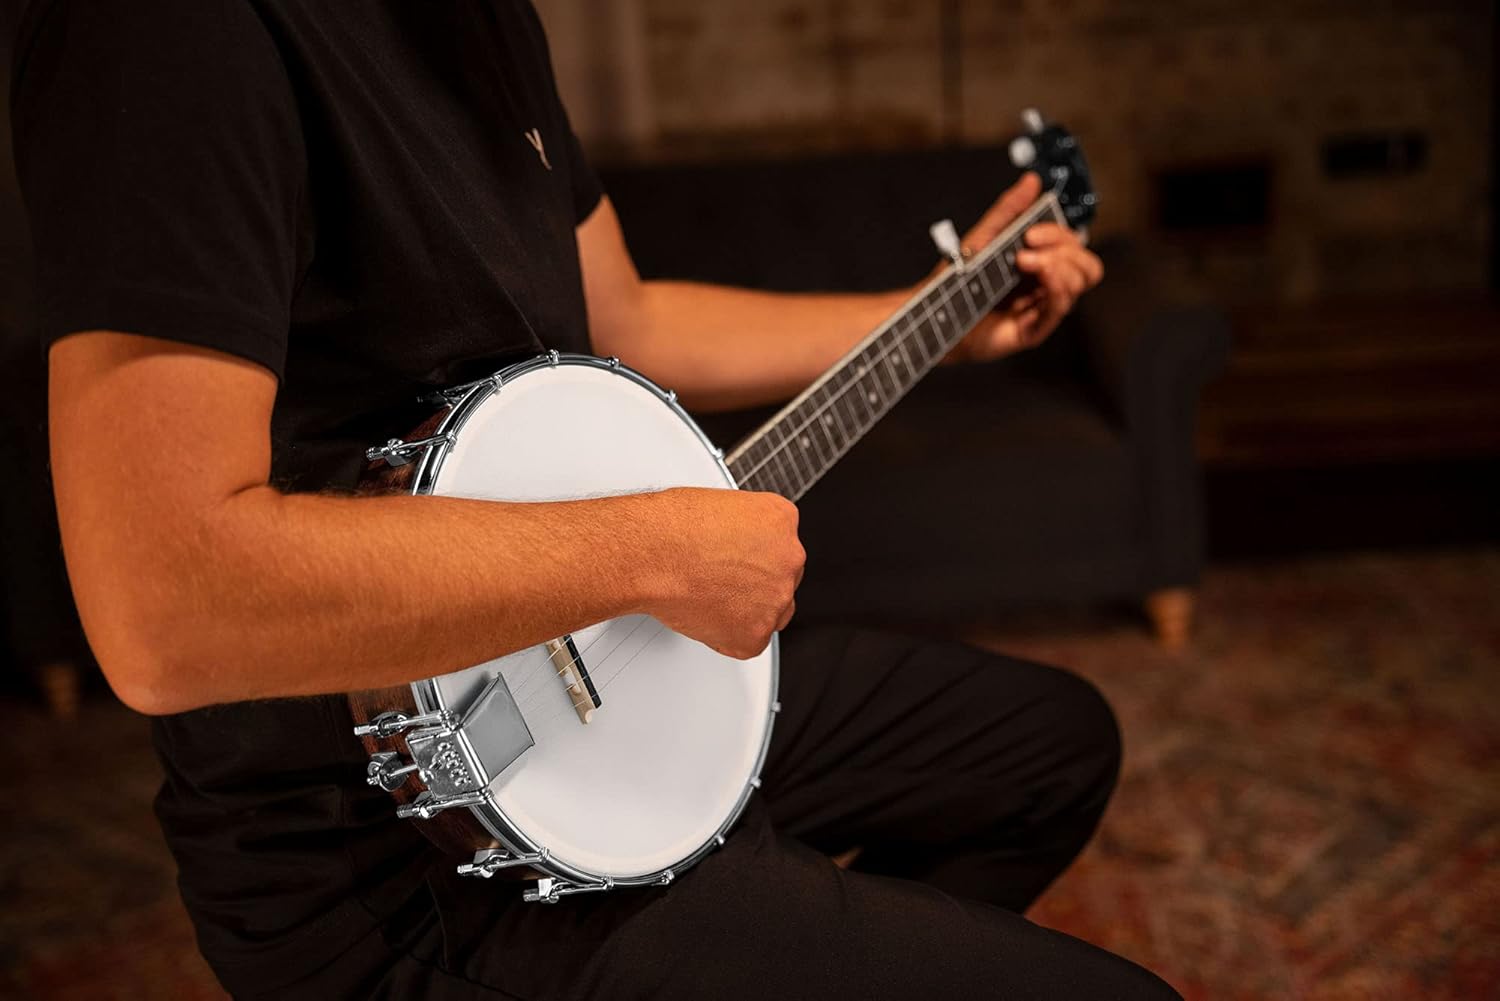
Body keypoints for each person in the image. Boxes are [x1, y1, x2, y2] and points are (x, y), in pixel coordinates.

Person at [14, 1, 1179, 997]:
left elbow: (629, 320)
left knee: (1049, 751)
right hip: (388, 852)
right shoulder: (165, 35)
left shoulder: (481, 20)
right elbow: (162, 607)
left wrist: (938, 314)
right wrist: (649, 554)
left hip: (588, 678)